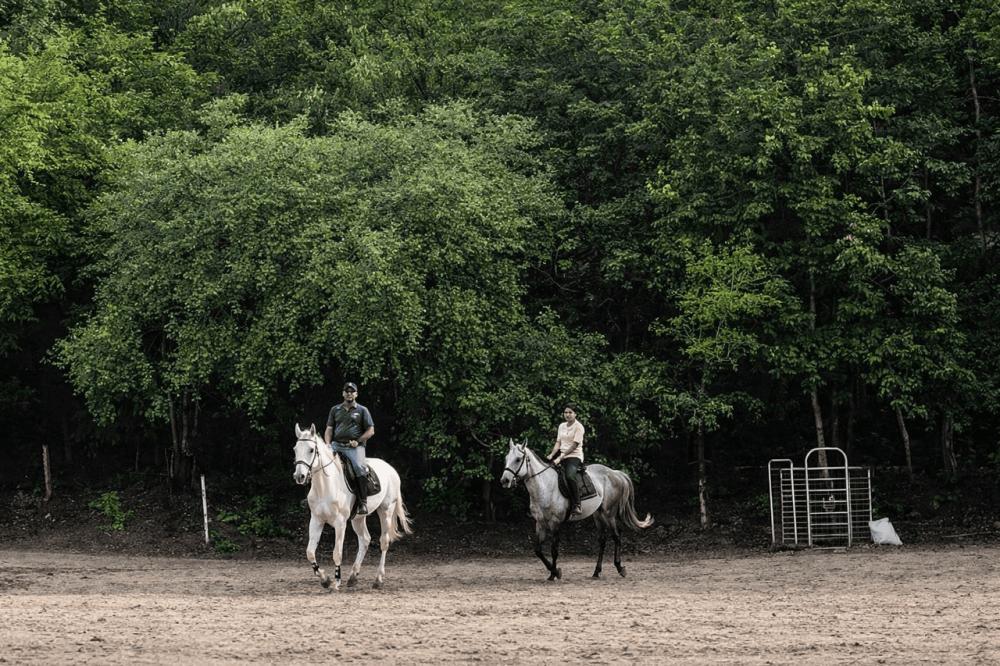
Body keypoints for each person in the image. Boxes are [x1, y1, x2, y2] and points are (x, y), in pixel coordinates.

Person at [325, 382, 375, 514]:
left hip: (354, 447)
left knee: (359, 467)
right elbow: (329, 429)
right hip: (336, 445)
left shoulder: (362, 410)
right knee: (320, 463)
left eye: (352, 391)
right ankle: (314, 497)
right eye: (347, 391)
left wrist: (358, 441)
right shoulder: (335, 410)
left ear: (356, 394)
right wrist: (327, 444)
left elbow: (371, 430)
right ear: (343, 393)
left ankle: (362, 502)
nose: (349, 393)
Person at [547, 404, 585, 516]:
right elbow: (558, 442)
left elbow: (574, 446)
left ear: (575, 414)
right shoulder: (561, 426)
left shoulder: (579, 427)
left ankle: (577, 504)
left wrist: (559, 458)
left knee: (569, 476)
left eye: (570, 412)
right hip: (561, 455)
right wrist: (552, 454)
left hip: (574, 456)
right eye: (565, 412)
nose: (567, 414)